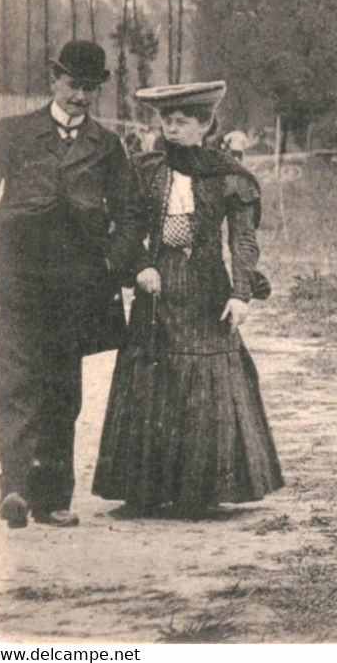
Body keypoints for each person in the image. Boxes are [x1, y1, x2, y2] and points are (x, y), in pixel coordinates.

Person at [93, 80, 283, 517]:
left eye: (181, 122)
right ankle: (144, 491)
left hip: (206, 291)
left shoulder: (228, 176)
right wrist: (140, 265)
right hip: (156, 290)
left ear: (204, 125)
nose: (171, 129)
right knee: (150, 376)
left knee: (205, 380)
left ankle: (200, 492)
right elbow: (125, 226)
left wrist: (241, 293)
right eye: (166, 121)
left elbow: (243, 241)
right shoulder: (146, 169)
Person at [0, 41, 141, 529]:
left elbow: (131, 213)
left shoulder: (107, 145)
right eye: (73, 85)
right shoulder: (12, 134)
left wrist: (108, 265)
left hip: (74, 285)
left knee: (61, 389)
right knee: (15, 382)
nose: (80, 96)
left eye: (90, 89)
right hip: (16, 277)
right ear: (53, 80)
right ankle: (14, 488)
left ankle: (52, 498)